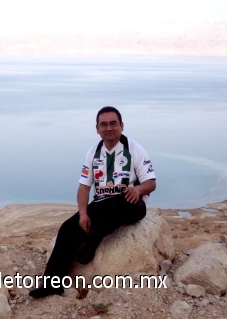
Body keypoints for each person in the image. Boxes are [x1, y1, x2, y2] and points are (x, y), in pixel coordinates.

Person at [29, 106, 156, 298]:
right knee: (67, 229)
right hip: (103, 205)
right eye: (103, 124)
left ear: (121, 125)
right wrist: (82, 214)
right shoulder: (92, 153)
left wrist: (137, 189)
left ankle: (92, 241)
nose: (108, 128)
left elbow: (151, 183)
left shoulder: (134, 149)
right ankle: (51, 284)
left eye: (113, 123)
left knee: (118, 203)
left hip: (130, 203)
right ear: (97, 128)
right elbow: (84, 188)